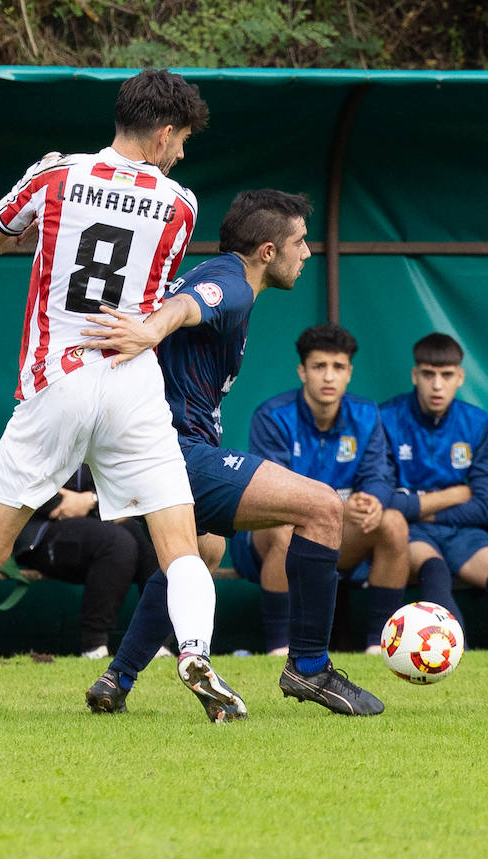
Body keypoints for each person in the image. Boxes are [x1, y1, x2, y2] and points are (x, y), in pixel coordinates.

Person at [0, 68, 241, 723]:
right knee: (179, 543)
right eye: (183, 140)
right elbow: (145, 275)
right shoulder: (180, 203)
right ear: (163, 133)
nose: (183, 152)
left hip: (60, 376)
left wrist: (36, 219)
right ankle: (194, 651)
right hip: (132, 381)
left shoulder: (56, 175)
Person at [80, 190, 385, 716]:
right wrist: (154, 327)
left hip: (147, 446)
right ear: (268, 251)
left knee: (204, 552)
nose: (308, 253)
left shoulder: (214, 271)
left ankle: (117, 678)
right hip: (170, 449)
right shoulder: (232, 286)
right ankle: (309, 668)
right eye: (300, 242)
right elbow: (188, 308)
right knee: (322, 507)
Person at [231, 324, 409, 654]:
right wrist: (342, 507)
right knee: (286, 528)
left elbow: (379, 475)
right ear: (302, 371)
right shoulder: (273, 416)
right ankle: (279, 648)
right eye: (319, 366)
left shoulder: (367, 414)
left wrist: (372, 501)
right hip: (265, 539)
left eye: (338, 367)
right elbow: (273, 496)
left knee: (393, 523)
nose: (329, 377)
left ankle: (380, 647)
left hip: (337, 534)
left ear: (349, 373)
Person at [381, 333, 488, 651]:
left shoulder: (475, 422)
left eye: (446, 375)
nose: (437, 385)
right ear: (415, 375)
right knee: (434, 570)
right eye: (429, 375)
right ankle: (454, 659)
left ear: (460, 377)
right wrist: (454, 495)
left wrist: (419, 505)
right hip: (412, 531)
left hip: (463, 531)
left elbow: (487, 505)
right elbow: (386, 502)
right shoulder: (386, 419)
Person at [12, 465, 157, 659]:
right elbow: (19, 484)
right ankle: (94, 646)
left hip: (100, 520)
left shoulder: (112, 438)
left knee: (154, 540)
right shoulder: (34, 436)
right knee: (116, 542)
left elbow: (131, 486)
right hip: (41, 533)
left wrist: (91, 500)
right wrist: (62, 501)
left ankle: (156, 641)